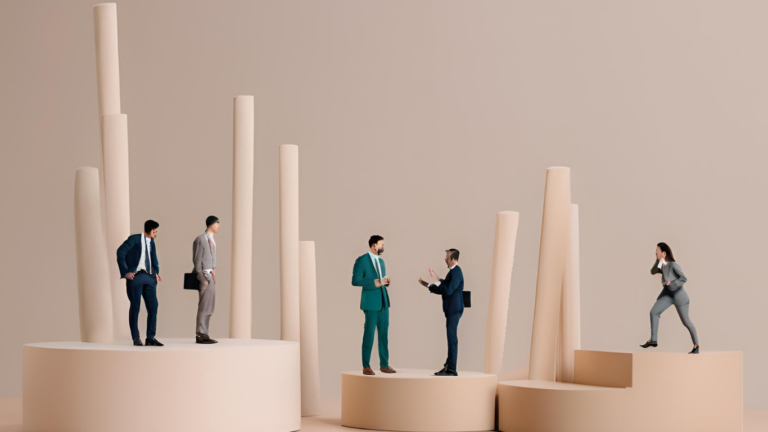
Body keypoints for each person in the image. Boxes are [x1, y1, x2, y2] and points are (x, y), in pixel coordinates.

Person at [641, 242, 700, 354]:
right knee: (654, 312)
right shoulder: (662, 265)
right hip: (667, 295)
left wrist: (672, 283)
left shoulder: (673, 265)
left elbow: (683, 278)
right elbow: (652, 271)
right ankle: (653, 340)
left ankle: (696, 346)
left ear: (663, 253)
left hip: (679, 296)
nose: (655, 253)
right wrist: (657, 259)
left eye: (657, 251)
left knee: (686, 322)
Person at [351, 235, 395, 375]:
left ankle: (384, 365)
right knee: (369, 334)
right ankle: (366, 366)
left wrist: (385, 282)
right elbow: (356, 281)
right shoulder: (361, 260)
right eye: (381, 244)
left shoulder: (381, 262)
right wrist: (376, 282)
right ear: (374, 245)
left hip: (383, 303)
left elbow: (380, 282)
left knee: (384, 335)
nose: (383, 247)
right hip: (370, 304)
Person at [116, 220, 163, 347]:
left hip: (150, 277)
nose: (156, 233)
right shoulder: (134, 239)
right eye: (155, 231)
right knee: (135, 306)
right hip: (135, 277)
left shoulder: (152, 242)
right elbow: (120, 252)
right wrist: (126, 272)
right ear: (151, 230)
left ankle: (150, 338)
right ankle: (136, 338)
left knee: (153, 307)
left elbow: (153, 258)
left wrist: (156, 273)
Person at [419, 249, 465, 376]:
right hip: (452, 309)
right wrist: (430, 285)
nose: (445, 259)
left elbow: (448, 290)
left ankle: (451, 369)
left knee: (452, 338)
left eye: (447, 257)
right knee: (451, 338)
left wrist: (438, 281)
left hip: (454, 309)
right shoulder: (453, 272)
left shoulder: (456, 272)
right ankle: (448, 366)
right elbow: (445, 287)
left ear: (454, 259)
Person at [193, 216, 220, 344]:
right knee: (204, 306)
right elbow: (197, 259)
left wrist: (213, 272)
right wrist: (201, 276)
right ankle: (200, 334)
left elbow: (212, 258)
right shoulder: (200, 239)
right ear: (211, 224)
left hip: (210, 276)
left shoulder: (213, 240)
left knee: (209, 306)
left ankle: (204, 333)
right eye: (217, 224)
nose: (218, 226)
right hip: (204, 275)